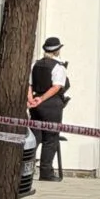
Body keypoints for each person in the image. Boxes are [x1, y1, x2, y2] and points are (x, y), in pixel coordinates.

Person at [29, 36, 69, 181]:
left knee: (34, 138)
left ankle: (26, 169)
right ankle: (46, 172)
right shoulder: (59, 67)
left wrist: (32, 100)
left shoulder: (35, 64)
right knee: (50, 139)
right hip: (51, 105)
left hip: (35, 104)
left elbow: (29, 85)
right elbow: (56, 87)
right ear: (57, 50)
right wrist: (42, 99)